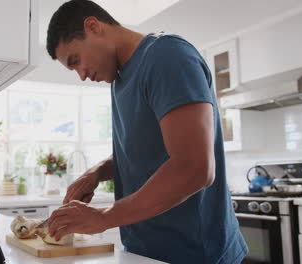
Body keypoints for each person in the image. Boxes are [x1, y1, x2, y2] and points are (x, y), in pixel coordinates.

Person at [45, 1, 248, 263]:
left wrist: (104, 217)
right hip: (145, 253)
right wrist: (97, 172)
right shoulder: (119, 80)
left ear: (93, 27)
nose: (81, 75)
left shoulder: (168, 57)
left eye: (76, 61)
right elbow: (144, 152)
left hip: (197, 254)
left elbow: (195, 169)